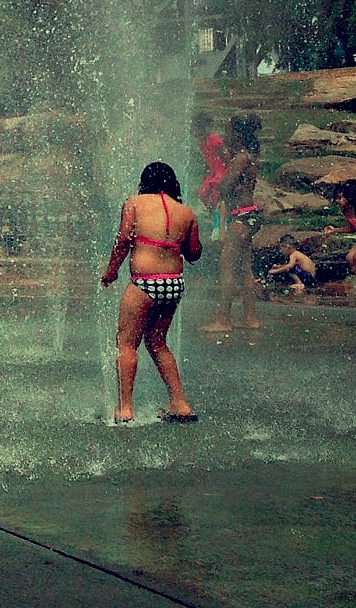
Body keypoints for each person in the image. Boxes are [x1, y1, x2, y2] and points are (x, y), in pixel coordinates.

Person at [100, 162, 202, 424]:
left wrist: (111, 271)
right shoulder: (187, 212)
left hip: (144, 283)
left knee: (126, 343)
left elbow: (123, 239)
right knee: (157, 342)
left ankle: (124, 410)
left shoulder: (134, 203)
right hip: (173, 284)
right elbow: (193, 253)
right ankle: (180, 404)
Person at [202, 113, 262, 331]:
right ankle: (251, 318)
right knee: (245, 268)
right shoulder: (250, 156)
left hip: (241, 216)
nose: (225, 135)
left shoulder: (241, 158)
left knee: (227, 267)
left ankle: (223, 320)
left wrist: (215, 184)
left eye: (228, 130)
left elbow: (226, 185)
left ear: (237, 134)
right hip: (250, 215)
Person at [194, 113, 229, 240]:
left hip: (221, 171)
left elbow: (225, 155)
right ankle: (216, 220)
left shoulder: (214, 139)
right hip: (213, 172)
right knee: (203, 194)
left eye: (197, 128)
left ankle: (221, 225)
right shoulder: (202, 142)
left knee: (219, 198)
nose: (195, 132)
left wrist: (227, 172)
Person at [321, 185, 356, 289]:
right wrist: (334, 230)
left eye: (340, 198)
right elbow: (352, 229)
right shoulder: (346, 211)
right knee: (350, 258)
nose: (337, 201)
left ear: (349, 198)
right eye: (336, 198)